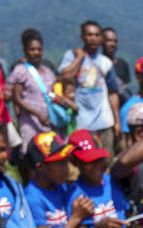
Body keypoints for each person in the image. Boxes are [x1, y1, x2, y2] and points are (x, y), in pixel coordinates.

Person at [59, 21, 121, 156]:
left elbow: (113, 93)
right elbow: (63, 77)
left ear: (101, 38)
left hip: (104, 123)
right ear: (82, 37)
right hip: (80, 124)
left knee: (105, 163)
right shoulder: (71, 56)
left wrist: (117, 121)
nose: (93, 38)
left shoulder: (106, 62)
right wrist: (80, 58)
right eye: (89, 35)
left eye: (97, 35)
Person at [9, 29, 74, 150]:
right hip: (30, 122)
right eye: (32, 49)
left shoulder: (48, 71)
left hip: (49, 121)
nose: (36, 53)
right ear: (25, 51)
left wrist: (58, 99)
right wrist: (37, 114)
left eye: (39, 49)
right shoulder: (21, 71)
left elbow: (47, 93)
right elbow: (17, 98)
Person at [101, 27, 131, 104]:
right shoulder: (97, 64)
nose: (112, 44)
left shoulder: (123, 64)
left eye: (115, 41)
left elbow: (124, 89)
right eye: (109, 40)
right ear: (101, 41)